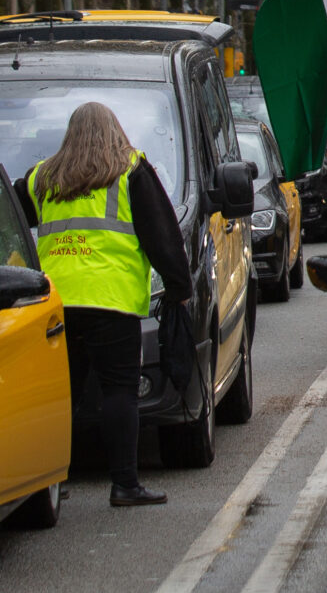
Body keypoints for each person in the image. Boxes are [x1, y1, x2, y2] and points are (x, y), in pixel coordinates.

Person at [16, 102, 196, 507]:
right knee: (119, 392)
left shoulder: (42, 177)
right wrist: (178, 287)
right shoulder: (132, 171)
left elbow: (4, 212)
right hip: (111, 301)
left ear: (70, 134)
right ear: (115, 130)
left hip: (55, 303)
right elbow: (161, 234)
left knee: (61, 394)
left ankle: (47, 483)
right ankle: (125, 485)